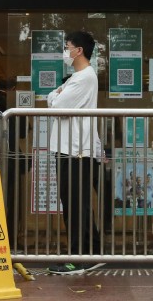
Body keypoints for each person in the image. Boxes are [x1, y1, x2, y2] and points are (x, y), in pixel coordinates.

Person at [46, 30, 105, 275]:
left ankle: (79, 257)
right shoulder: (78, 77)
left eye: (67, 46)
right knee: (76, 203)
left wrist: (56, 95)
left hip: (75, 151)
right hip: (72, 149)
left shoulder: (83, 78)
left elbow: (57, 105)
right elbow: (54, 99)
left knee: (74, 205)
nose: (65, 51)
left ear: (78, 50)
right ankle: (91, 252)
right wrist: (56, 95)